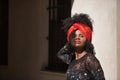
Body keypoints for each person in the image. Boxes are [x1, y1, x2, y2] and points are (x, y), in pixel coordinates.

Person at [57, 13, 105, 80]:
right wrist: (70, 40)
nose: (77, 38)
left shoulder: (90, 60)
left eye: (81, 36)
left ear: (87, 40)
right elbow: (60, 54)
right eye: (74, 36)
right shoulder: (72, 59)